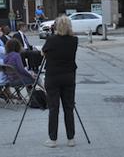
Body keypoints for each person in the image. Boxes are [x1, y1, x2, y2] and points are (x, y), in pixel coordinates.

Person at [42, 15, 78, 148]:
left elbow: (43, 52)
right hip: (69, 76)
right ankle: (71, 138)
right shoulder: (74, 40)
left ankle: (53, 139)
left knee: (54, 108)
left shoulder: (51, 40)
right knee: (69, 107)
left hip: (53, 76)